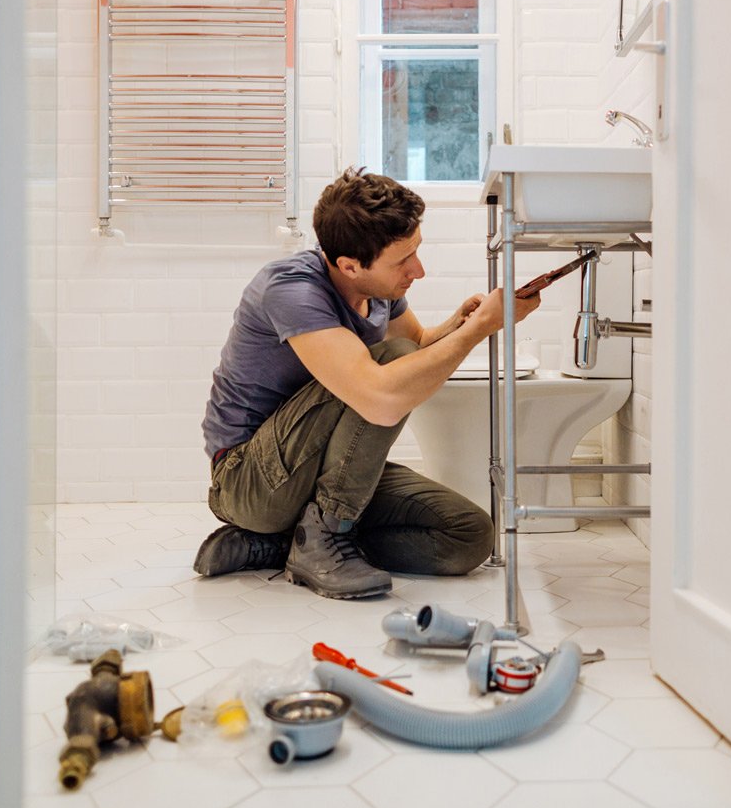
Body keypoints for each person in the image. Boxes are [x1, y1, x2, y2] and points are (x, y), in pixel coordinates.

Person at [193, 167, 540, 599]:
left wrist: (463, 322)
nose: (419, 270)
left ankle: (290, 543)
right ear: (349, 266)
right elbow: (381, 398)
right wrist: (478, 331)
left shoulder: (380, 288)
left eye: (415, 252)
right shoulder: (290, 289)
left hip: (313, 468)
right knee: (387, 367)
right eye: (403, 261)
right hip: (249, 481)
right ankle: (325, 534)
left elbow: (419, 346)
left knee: (467, 535)